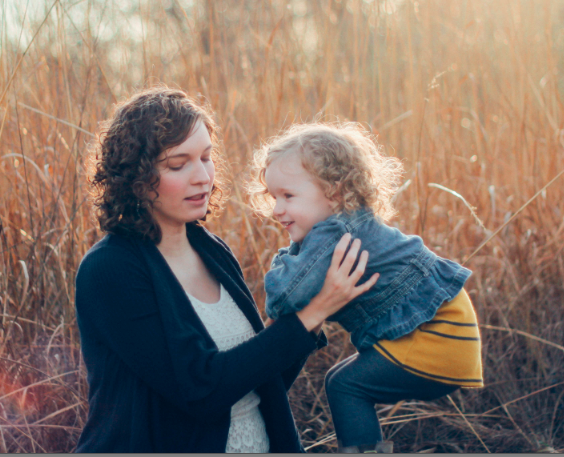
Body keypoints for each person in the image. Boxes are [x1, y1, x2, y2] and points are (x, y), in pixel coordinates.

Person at [74, 87, 379, 453]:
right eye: (178, 164)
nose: (202, 176)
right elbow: (200, 392)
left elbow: (261, 381)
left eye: (206, 157)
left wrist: (315, 306)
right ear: (135, 177)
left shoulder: (211, 250)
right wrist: (314, 312)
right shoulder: (110, 270)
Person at [248, 122, 484, 453]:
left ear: (334, 191)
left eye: (288, 196)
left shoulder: (332, 234)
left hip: (436, 337)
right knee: (337, 381)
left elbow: (285, 296)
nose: (277, 209)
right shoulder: (350, 223)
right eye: (273, 197)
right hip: (450, 332)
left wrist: (285, 259)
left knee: (347, 386)